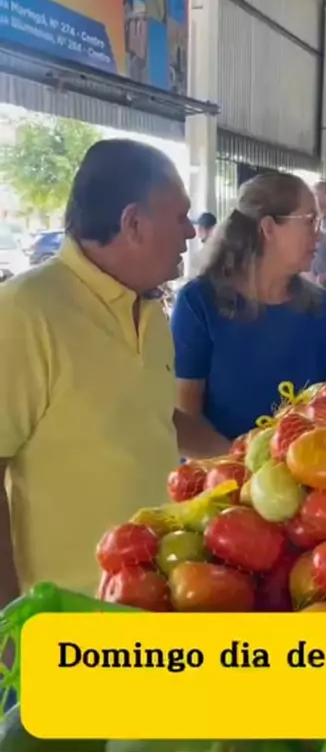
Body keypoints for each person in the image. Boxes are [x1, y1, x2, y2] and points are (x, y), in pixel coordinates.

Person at [0, 139, 229, 607]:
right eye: (180, 216)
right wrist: (8, 622)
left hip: (151, 594)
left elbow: (153, 416)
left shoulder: (149, 310)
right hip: (64, 614)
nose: (191, 231)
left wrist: (244, 456)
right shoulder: (25, 313)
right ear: (134, 223)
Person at [170, 172, 326, 441]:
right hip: (220, 477)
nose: (320, 234)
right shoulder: (199, 304)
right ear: (268, 228)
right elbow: (186, 423)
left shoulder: (322, 309)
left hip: (307, 475)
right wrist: (245, 466)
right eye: (310, 221)